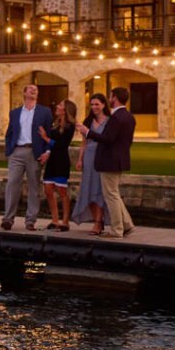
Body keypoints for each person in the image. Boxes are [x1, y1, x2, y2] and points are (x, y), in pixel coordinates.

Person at [77, 85, 136, 238]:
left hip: (110, 160)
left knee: (111, 195)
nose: (109, 98)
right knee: (114, 193)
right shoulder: (129, 116)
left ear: (114, 98)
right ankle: (127, 225)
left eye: (110, 96)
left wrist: (88, 132)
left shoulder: (116, 117)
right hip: (120, 160)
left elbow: (108, 138)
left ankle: (117, 230)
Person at [1, 83, 53, 231]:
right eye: (30, 89)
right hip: (17, 151)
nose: (34, 90)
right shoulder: (15, 113)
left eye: (36, 89)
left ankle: (30, 220)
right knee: (12, 184)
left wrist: (47, 151)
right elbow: (9, 133)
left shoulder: (45, 112)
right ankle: (8, 219)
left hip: (34, 153)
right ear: (24, 93)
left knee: (34, 187)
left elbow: (49, 134)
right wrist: (9, 149)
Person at [72, 94, 109, 235]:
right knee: (88, 189)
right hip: (88, 158)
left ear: (104, 105)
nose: (94, 107)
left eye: (97, 104)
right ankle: (96, 221)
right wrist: (80, 159)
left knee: (99, 190)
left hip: (102, 158)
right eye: (92, 104)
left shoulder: (110, 121)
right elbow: (84, 143)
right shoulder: (87, 122)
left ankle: (99, 222)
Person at [39, 98, 77, 230]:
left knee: (62, 191)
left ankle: (65, 222)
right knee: (48, 189)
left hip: (61, 161)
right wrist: (47, 151)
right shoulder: (55, 124)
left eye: (60, 105)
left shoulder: (70, 126)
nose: (57, 106)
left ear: (65, 110)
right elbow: (53, 144)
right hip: (52, 161)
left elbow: (61, 145)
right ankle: (55, 220)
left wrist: (46, 138)